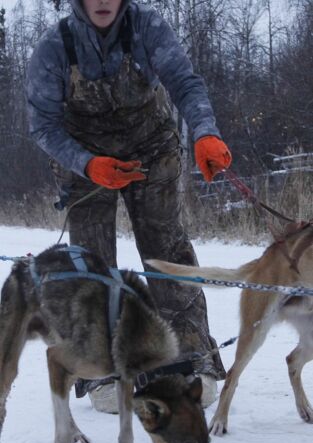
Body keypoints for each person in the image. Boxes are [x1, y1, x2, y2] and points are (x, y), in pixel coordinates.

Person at [26, 0, 232, 413]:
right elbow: (42, 125)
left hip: (150, 149)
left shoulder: (148, 28)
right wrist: (87, 164)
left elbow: (185, 84)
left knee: (167, 251)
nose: (103, 1)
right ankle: (98, 370)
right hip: (84, 159)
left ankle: (194, 359)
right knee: (90, 262)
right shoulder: (54, 47)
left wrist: (205, 132)